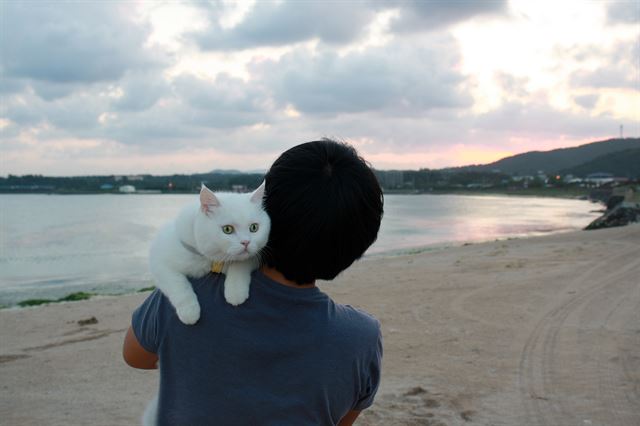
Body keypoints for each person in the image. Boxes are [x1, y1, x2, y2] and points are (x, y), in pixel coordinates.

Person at [123, 139, 384, 425]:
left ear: (265, 213)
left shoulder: (190, 294)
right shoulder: (361, 338)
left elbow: (135, 356)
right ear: (359, 246)